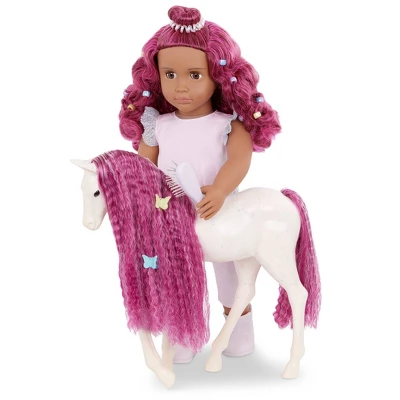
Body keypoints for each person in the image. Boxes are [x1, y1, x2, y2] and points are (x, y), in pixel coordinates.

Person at [119, 5, 281, 363]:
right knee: (176, 280)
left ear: (219, 77)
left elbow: (239, 159)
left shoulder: (227, 123)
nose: (181, 86)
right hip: (171, 217)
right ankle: (183, 338)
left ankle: (239, 334)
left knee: (231, 279)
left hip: (219, 212)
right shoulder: (157, 125)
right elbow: (144, 167)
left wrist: (220, 190)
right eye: (170, 74)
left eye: (195, 75)